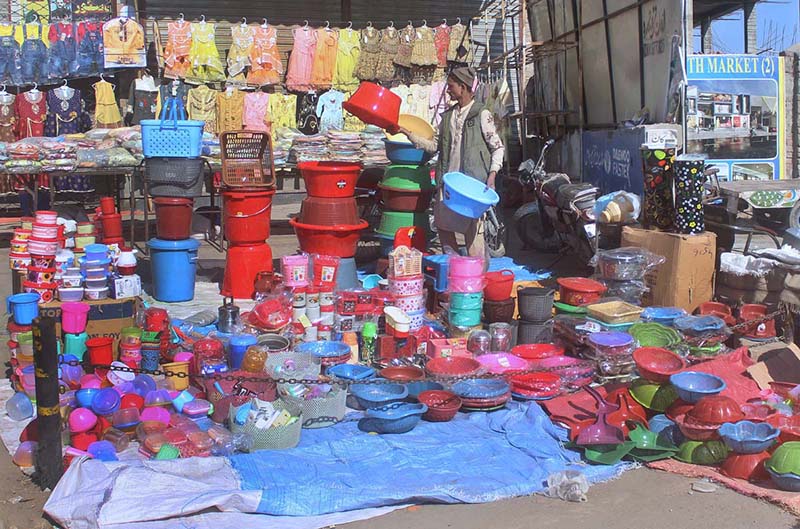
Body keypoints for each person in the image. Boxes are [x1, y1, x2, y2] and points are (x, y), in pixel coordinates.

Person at [401, 66, 504, 259]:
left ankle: (475, 276)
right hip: (448, 186)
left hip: (471, 187)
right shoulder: (447, 116)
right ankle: (454, 268)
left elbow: (497, 147)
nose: (448, 90)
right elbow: (434, 146)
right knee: (444, 227)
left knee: (473, 231)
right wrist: (409, 135)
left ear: (463, 87)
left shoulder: (481, 114)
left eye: (451, 86)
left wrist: (492, 175)